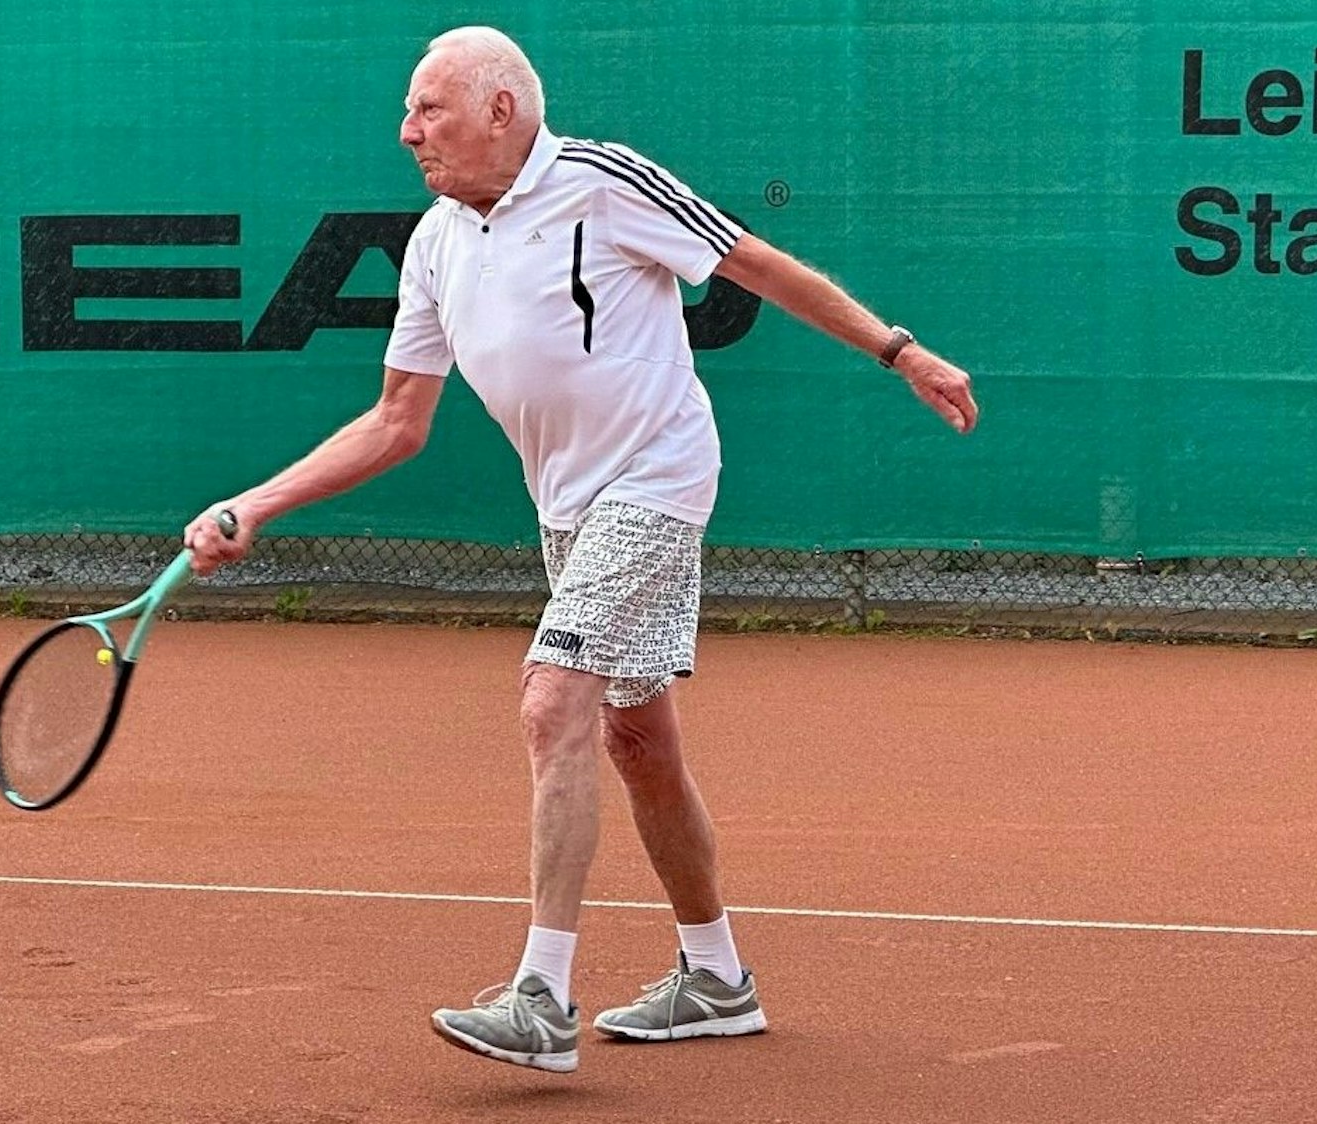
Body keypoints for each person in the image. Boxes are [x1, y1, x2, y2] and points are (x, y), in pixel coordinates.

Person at [183, 25, 978, 1074]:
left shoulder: (601, 181)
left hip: (657, 476)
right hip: (569, 509)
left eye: (430, 110)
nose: (407, 130)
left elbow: (758, 264)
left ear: (501, 110)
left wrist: (899, 350)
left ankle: (541, 995)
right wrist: (260, 500)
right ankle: (718, 979)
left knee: (552, 694)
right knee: (637, 739)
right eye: (411, 112)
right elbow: (395, 421)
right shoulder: (434, 244)